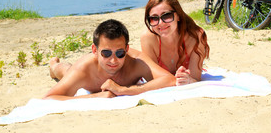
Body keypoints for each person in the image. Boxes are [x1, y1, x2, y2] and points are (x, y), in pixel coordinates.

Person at [43, 19, 175, 100]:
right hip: (84, 71)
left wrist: (124, 90)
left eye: (120, 53)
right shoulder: (84, 69)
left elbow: (170, 79)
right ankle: (54, 65)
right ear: (95, 51)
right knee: (65, 71)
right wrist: (95, 96)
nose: (113, 60)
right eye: (106, 53)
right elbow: (49, 98)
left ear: (127, 49)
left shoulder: (136, 61)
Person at [139, 0, 210, 86]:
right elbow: (152, 79)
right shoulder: (148, 39)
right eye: (154, 18)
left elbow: (195, 78)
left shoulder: (195, 36)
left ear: (178, 16)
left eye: (167, 16)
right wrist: (176, 80)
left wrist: (188, 80)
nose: (160, 23)